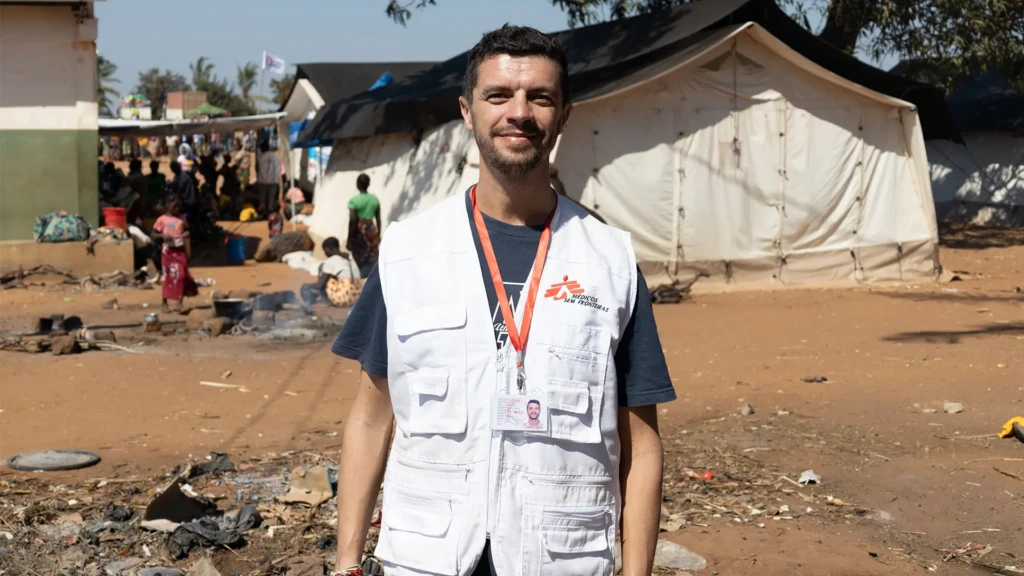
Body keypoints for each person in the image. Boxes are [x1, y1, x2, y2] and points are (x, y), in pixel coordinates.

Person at [331, 25, 675, 576]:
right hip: (427, 556)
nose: (520, 112)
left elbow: (642, 444)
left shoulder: (609, 262)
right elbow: (372, 419)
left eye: (540, 97)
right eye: (499, 95)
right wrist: (348, 561)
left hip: (560, 560)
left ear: (564, 114)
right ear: (467, 111)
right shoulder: (407, 252)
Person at [151, 196, 198, 312]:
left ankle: (179, 303)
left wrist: (186, 234)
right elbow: (153, 234)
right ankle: (164, 303)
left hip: (180, 251)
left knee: (181, 276)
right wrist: (162, 236)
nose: (177, 209)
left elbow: (187, 230)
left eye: (179, 206)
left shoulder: (182, 219)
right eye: (175, 206)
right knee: (167, 277)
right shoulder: (162, 219)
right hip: (167, 251)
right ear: (167, 205)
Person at [345, 173, 381, 278]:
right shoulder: (375, 199)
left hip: (359, 231)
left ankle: (363, 279)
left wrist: (350, 238)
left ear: (357, 184)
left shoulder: (354, 200)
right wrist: (378, 233)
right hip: (371, 229)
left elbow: (352, 220)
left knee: (360, 256)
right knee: (372, 255)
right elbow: (378, 218)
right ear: (368, 184)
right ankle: (373, 278)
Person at [300, 237, 352, 306]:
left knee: (306, 287)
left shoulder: (331, 261)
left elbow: (320, 285)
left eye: (325, 251)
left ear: (328, 249)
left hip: (342, 298)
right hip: (353, 296)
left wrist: (307, 286)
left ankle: (322, 301)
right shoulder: (346, 258)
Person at [256, 140, 281, 218]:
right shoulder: (275, 156)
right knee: (271, 198)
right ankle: (271, 212)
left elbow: (257, 168)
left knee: (263, 198)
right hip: (273, 181)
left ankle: (264, 212)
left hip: (262, 181)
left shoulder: (260, 157)